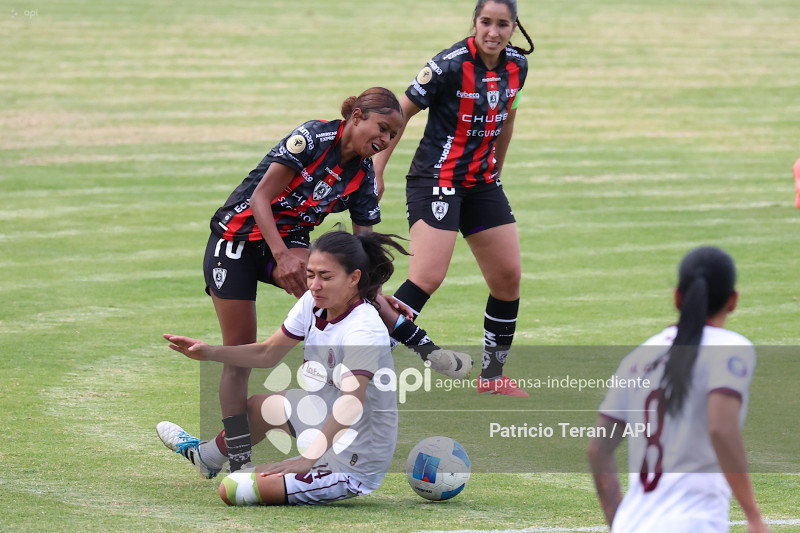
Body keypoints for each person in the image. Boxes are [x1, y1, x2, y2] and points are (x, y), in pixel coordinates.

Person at [167, 87, 473, 478]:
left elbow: (363, 255)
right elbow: (261, 198)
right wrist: (280, 256)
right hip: (237, 241)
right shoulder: (313, 138)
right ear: (357, 116)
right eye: (382, 128)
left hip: (290, 243)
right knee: (240, 354)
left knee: (351, 287)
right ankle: (236, 459)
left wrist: (377, 293)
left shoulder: (362, 175)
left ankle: (423, 349)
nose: (384, 140)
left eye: (393, 136)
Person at [160, 230, 405, 505]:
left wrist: (307, 459)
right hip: (321, 416)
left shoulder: (364, 330)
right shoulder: (312, 303)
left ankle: (304, 472)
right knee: (256, 408)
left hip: (355, 457)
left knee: (232, 489)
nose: (314, 285)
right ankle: (208, 458)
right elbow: (267, 353)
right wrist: (208, 352)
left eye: (326, 277)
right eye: (310, 274)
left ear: (354, 278)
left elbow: (352, 403)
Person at [372, 0, 535, 397]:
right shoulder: (447, 65)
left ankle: (492, 377)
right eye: (486, 22)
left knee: (507, 278)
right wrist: (375, 169)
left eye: (502, 24)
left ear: (514, 27)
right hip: (436, 179)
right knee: (427, 277)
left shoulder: (518, 66)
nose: (493, 32)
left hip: (480, 181)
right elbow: (399, 114)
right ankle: (359, 365)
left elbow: (507, 117)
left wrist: (497, 166)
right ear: (474, 23)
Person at [586, 246, 770, 533]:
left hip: (631, 524)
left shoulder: (639, 357)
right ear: (732, 301)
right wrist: (753, 516)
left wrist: (620, 522)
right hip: (693, 523)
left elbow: (598, 448)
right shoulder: (729, 348)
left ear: (676, 297)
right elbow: (720, 428)